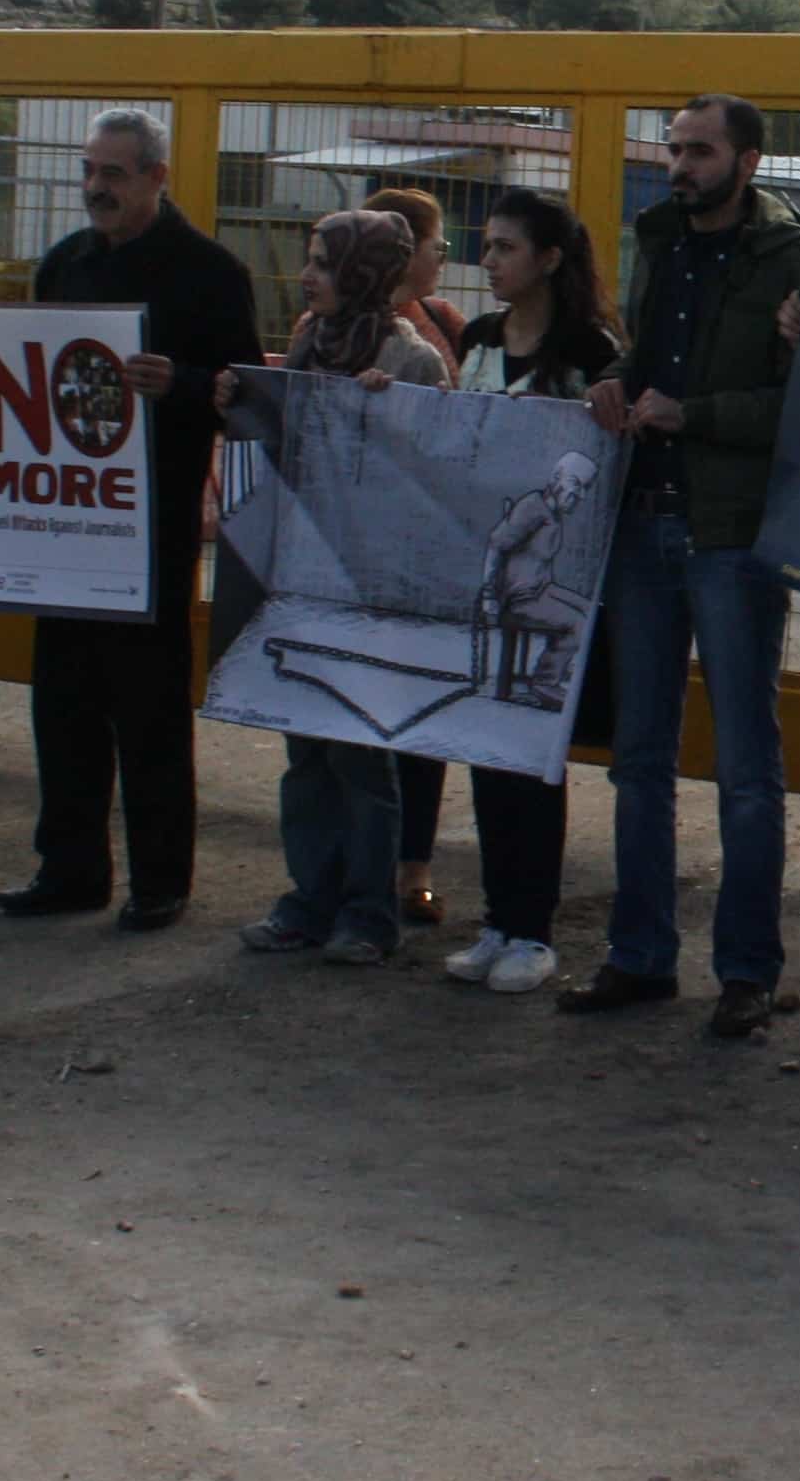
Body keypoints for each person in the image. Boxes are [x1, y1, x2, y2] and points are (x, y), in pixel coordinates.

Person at [0, 108, 260, 932]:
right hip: (61, 523)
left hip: (147, 528)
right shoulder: (65, 264)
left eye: (114, 174)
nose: (96, 188)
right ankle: (70, 867)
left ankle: (161, 879)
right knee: (63, 701)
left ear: (158, 177)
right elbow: (32, 377)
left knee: (149, 709)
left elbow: (244, 395)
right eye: (89, 171)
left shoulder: (210, 272)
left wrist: (184, 384)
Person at [566, 94, 800, 1039]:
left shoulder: (793, 260)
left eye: (700, 150)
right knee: (637, 757)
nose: (681, 165)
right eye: (675, 148)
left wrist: (695, 414)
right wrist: (619, 386)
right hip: (645, 520)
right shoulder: (662, 239)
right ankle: (638, 957)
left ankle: (747, 973)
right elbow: (651, 359)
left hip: (731, 532)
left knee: (747, 765)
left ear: (749, 161)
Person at [222, 210, 448, 963]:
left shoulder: (410, 359)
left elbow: (441, 470)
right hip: (300, 575)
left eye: (323, 262)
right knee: (307, 753)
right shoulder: (309, 346)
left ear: (364, 272)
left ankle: (366, 911)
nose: (309, 275)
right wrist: (242, 397)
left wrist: (392, 416)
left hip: (367, 584)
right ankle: (308, 899)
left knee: (358, 752)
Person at [434, 186, 622, 997]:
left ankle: (533, 930)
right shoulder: (475, 340)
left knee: (532, 756)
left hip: (555, 581)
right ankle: (495, 922)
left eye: (506, 247)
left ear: (549, 259)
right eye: (485, 244)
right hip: (480, 572)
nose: (490, 260)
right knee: (484, 750)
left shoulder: (591, 350)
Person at [342, 184, 469, 927]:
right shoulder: (330, 332)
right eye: (434, 244)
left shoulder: (446, 325)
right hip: (360, 553)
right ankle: (363, 864)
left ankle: (409, 866)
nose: (444, 257)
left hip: (425, 552)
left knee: (422, 714)